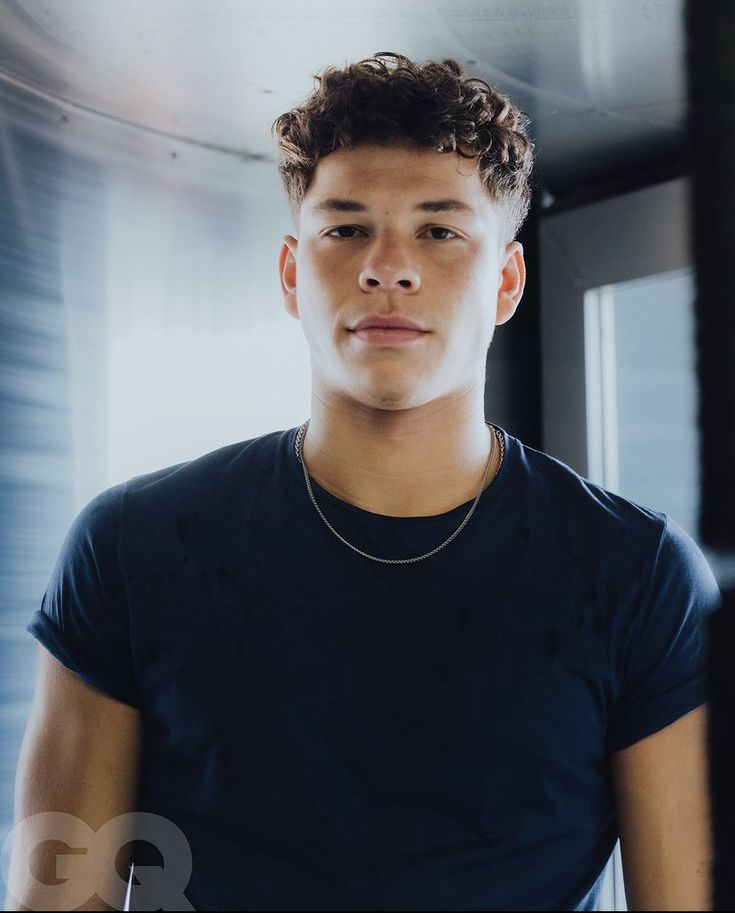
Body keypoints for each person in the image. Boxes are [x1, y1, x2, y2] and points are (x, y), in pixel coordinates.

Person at [6, 52, 722, 911]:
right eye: (345, 229)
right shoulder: (131, 544)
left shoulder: (636, 572)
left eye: (439, 229)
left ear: (504, 281)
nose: (389, 266)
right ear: (289, 274)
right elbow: (59, 899)